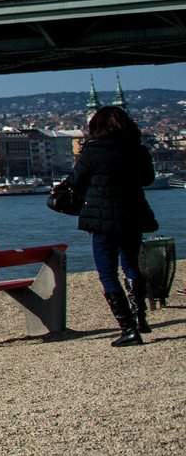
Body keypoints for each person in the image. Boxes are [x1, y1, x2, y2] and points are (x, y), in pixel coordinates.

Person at [59, 105, 160, 347]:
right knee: (131, 265)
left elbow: (75, 181)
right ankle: (140, 317)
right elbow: (148, 179)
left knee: (107, 273)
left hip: (102, 220)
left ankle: (128, 329)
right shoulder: (137, 150)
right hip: (132, 215)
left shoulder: (92, 151)